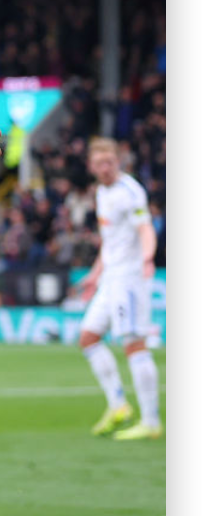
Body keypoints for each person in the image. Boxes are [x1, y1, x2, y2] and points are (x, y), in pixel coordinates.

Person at [75, 137, 162, 440]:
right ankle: (118, 405)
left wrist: (148, 257)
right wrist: (95, 274)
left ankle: (151, 421)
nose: (105, 168)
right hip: (110, 277)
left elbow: (145, 228)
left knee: (133, 343)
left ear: (118, 162)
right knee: (87, 338)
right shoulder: (101, 192)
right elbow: (110, 241)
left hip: (129, 278)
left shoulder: (130, 191)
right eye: (99, 163)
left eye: (110, 162)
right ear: (92, 166)